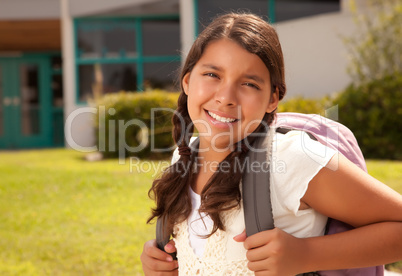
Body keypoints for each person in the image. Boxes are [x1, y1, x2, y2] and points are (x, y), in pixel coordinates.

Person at [140, 12, 402, 275]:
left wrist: (306, 254)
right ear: (187, 81)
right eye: (212, 74)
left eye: (249, 83)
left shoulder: (291, 158)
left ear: (272, 99)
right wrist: (165, 262)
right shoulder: (184, 156)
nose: (226, 97)